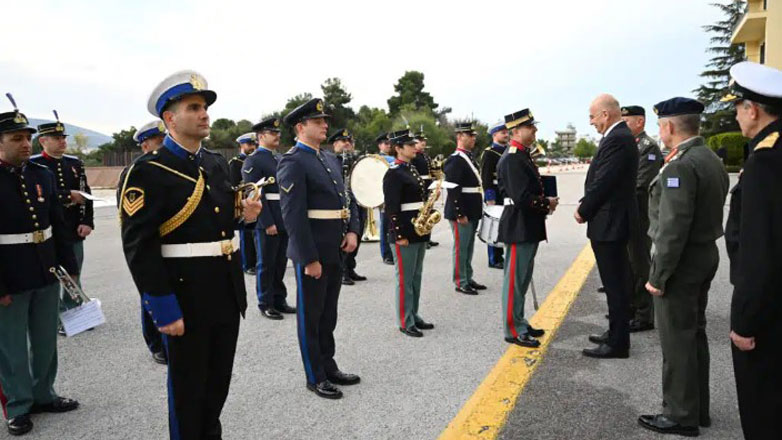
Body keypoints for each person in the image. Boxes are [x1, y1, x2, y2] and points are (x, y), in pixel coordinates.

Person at [120, 70, 261, 439]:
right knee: (188, 391)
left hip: (224, 292)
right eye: (193, 107)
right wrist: (162, 307)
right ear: (169, 119)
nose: (204, 114)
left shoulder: (214, 163)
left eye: (205, 107)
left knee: (216, 387)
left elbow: (216, 224)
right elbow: (139, 246)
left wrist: (243, 218)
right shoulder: (148, 170)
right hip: (185, 296)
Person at [637, 97, 728, 437]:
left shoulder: (679, 165)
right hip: (704, 255)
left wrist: (658, 275)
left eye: (660, 125)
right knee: (694, 335)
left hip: (681, 263)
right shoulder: (709, 158)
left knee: (677, 341)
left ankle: (680, 414)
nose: (659, 131)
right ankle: (697, 408)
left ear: (670, 127)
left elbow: (673, 228)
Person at [0, 96, 80, 436]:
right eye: (16, 138)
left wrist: (67, 266)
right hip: (9, 276)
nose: (25, 143)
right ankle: (18, 406)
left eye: (27, 137)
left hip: (45, 270)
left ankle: (44, 394)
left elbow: (57, 224)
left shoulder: (41, 174)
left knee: (46, 340)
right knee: (12, 347)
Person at [277, 98, 361, 400]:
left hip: (336, 246)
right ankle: (315, 376)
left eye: (325, 120)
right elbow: (293, 216)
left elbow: (347, 199)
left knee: (328, 314)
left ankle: (329, 364)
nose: (325, 124)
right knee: (311, 316)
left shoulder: (327, 158)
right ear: (301, 127)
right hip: (314, 251)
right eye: (318, 121)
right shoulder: (293, 161)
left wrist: (352, 230)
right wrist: (308, 258)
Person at [722, 61, 782, 440]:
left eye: (738, 106)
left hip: (770, 314)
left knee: (764, 409)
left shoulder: (766, 162)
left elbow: (761, 251)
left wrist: (745, 322)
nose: (736, 114)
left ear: (754, 110)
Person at [576, 94, 638, 359]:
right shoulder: (619, 137)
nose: (590, 122)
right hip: (610, 220)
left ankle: (617, 343)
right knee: (615, 282)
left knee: (615, 284)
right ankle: (615, 332)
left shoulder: (618, 139)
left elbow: (604, 182)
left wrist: (583, 209)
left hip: (610, 222)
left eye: (592, 116)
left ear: (606, 114)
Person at [497, 109, 557, 348]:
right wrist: (547, 203)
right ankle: (512, 328)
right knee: (514, 279)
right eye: (530, 127)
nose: (534, 130)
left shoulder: (521, 154)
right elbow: (522, 197)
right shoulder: (512, 157)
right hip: (518, 223)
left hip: (526, 223)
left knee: (522, 279)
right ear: (516, 131)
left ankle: (520, 321)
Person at [30, 112, 94, 323]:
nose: (62, 142)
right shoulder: (33, 166)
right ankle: (55, 316)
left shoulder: (74, 163)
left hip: (73, 228)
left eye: (64, 138)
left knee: (74, 271)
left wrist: (87, 222)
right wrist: (67, 196)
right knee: (51, 275)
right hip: (48, 230)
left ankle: (74, 312)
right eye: (57, 138)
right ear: (42, 141)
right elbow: (36, 197)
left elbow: (86, 194)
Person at [117, 120, 168, 365]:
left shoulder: (169, 167)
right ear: (145, 145)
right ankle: (155, 343)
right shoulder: (135, 172)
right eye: (159, 142)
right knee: (151, 290)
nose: (164, 145)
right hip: (150, 243)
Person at [383, 130, 436, 338]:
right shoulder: (393, 173)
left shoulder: (411, 168)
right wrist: (398, 235)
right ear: (398, 148)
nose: (415, 147)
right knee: (405, 278)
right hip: (405, 230)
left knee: (416, 276)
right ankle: (405, 321)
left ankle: (414, 314)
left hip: (418, 229)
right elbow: (392, 209)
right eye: (410, 144)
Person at [243, 117, 295, 320]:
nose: (277, 136)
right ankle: (266, 302)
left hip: (282, 216)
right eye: (273, 133)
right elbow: (254, 193)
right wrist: (267, 222)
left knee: (280, 261)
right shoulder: (253, 160)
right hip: (268, 218)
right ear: (261, 136)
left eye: (278, 133)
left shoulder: (278, 158)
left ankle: (279, 299)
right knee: (266, 263)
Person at [620, 105, 663, 333]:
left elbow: (641, 184)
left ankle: (644, 315)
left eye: (627, 121)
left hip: (640, 214)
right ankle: (629, 308)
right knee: (627, 263)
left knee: (639, 263)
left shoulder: (649, 148)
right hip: (627, 212)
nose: (624, 125)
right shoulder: (628, 146)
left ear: (640, 122)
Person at [444, 122, 486, 295]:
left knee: (468, 246)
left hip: (472, 208)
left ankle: (468, 276)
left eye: (474, 135)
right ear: (460, 137)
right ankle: (461, 281)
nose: (474, 138)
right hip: (461, 211)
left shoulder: (468, 157)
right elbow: (453, 189)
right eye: (470, 135)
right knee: (461, 247)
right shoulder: (455, 159)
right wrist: (459, 213)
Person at [328, 128, 367, 285]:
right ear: (335, 144)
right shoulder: (332, 161)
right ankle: (343, 270)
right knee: (345, 235)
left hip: (358, 200)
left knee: (357, 233)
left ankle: (350, 267)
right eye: (343, 141)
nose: (347, 144)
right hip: (344, 202)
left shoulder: (356, 160)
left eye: (349, 141)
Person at [480, 120, 509, 269]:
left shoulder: (509, 150)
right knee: (495, 227)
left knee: (506, 225)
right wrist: (490, 197)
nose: (506, 134)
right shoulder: (489, 153)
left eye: (506, 132)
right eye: (502, 132)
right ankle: (494, 258)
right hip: (496, 193)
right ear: (494, 134)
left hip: (507, 193)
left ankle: (503, 255)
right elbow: (485, 177)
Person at [229, 132, 258, 275]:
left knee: (257, 234)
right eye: (249, 144)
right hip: (244, 201)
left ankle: (257, 261)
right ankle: (248, 264)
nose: (252, 147)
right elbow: (234, 184)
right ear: (241, 145)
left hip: (256, 200)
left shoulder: (256, 160)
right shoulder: (235, 163)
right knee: (246, 235)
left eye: (254, 144)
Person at [411, 129, 439, 249]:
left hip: (428, 185)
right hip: (420, 184)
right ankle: (421, 236)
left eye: (424, 141)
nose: (423, 143)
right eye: (420, 141)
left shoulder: (425, 156)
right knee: (422, 212)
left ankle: (427, 236)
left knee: (429, 212)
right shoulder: (414, 156)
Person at [376, 132, 395, 265]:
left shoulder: (391, 158)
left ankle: (391, 252)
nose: (388, 146)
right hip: (382, 196)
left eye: (390, 143)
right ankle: (386, 254)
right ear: (380, 145)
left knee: (392, 225)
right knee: (385, 227)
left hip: (390, 195)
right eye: (386, 143)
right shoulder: (377, 158)